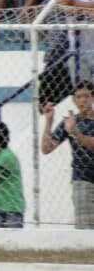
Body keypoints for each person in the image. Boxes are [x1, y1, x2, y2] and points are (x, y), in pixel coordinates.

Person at [42, 81, 94, 229]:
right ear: (73, 100)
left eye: (86, 96)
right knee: (86, 231)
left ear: (93, 98)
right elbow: (46, 148)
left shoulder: (72, 125)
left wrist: (75, 132)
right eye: (78, 97)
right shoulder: (70, 122)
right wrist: (49, 121)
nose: (83, 100)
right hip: (83, 180)